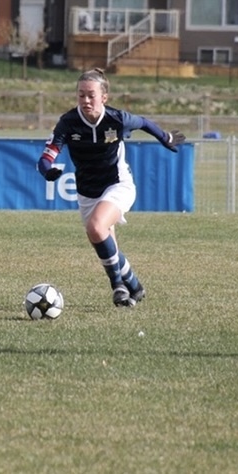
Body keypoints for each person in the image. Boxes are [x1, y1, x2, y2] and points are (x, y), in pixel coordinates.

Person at [37, 68, 186, 307]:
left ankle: (117, 286)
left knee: (97, 227)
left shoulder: (117, 119)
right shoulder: (68, 123)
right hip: (87, 192)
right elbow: (46, 156)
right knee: (103, 239)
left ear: (103, 97)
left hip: (118, 184)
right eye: (81, 95)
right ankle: (134, 286)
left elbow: (144, 123)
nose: (85, 100)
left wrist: (165, 137)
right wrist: (48, 170)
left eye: (91, 95)